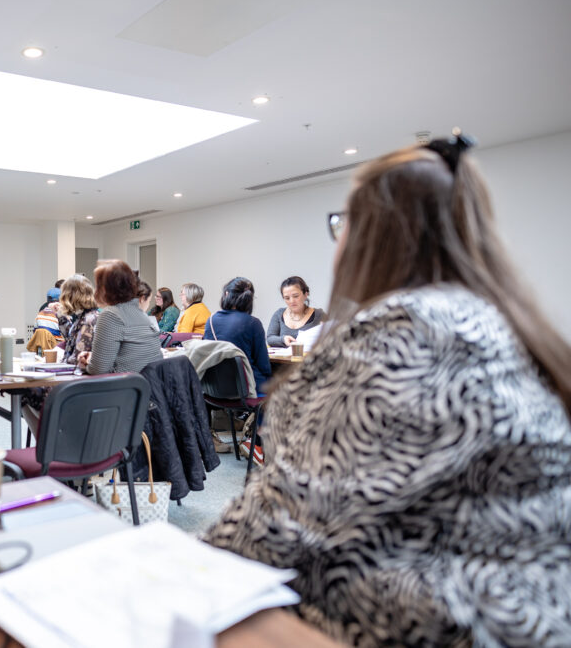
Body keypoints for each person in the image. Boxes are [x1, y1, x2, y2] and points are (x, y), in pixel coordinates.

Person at [204, 133, 571, 645]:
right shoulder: (508, 326)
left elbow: (281, 519)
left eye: (342, 223)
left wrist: (180, 577)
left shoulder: (398, 336)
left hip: (434, 621)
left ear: (371, 232)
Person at [23, 274, 100, 433]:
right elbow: (70, 340)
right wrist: (61, 317)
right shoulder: (84, 317)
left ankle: (51, 439)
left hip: (76, 382)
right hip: (72, 376)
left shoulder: (90, 320)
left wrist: (55, 365)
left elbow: (77, 357)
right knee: (26, 393)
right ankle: (49, 438)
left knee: (27, 393)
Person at [79, 260, 162, 375]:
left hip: (122, 388)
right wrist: (95, 359)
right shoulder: (141, 314)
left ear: (105, 288)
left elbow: (99, 370)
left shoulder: (111, 315)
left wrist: (85, 365)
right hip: (145, 386)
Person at [204, 277, 272, 394]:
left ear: (226, 294)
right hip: (247, 386)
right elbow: (264, 365)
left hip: (214, 388)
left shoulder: (211, 320)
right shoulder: (253, 323)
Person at [265, 276, 325, 347]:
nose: (292, 301)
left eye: (296, 296)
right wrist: (283, 339)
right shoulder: (279, 314)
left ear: (306, 294)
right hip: (282, 357)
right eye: (287, 298)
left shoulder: (319, 315)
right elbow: (270, 338)